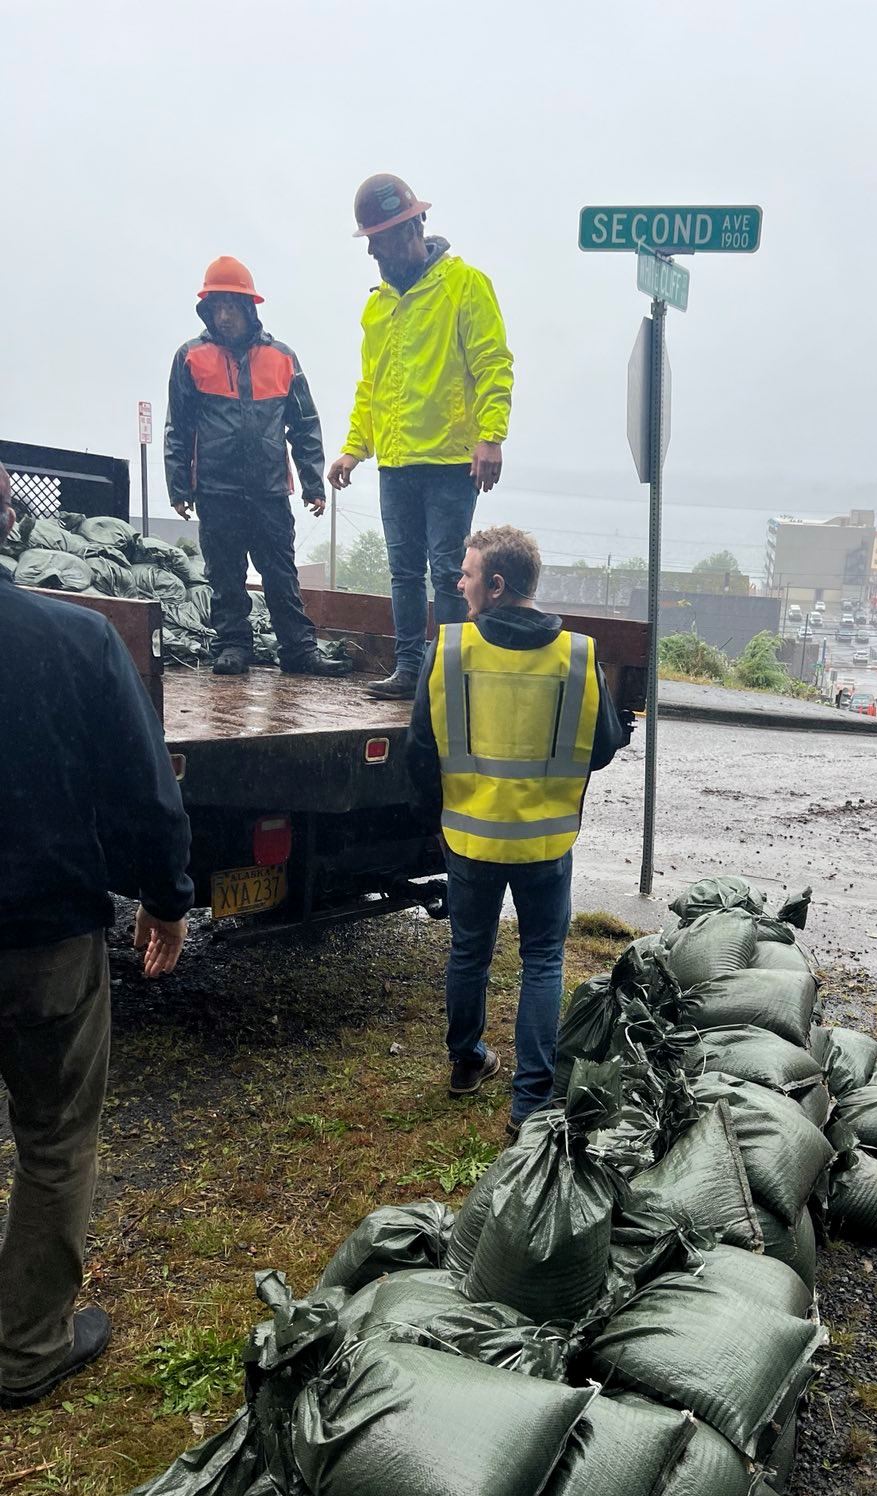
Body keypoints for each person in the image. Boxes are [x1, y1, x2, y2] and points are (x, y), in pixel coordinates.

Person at [0, 462, 194, 1409]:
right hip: (45, 936)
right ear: (8, 523)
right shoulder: (75, 640)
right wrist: (166, 897)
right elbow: (140, 790)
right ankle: (27, 1346)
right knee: (54, 1141)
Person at [405, 527, 631, 1135]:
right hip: (545, 841)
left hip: (469, 838)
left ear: (497, 585)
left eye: (468, 573)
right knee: (542, 960)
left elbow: (419, 749)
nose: (460, 583)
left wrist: (439, 814)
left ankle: (465, 1062)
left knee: (469, 951)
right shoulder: (578, 656)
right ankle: (529, 1104)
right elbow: (603, 747)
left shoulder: (449, 649)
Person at [328, 175, 514, 701]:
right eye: (369, 240)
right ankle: (410, 669)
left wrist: (491, 436)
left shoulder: (464, 284)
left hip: (452, 461)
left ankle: (450, 675)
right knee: (403, 572)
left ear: (413, 227)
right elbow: (372, 386)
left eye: (379, 239)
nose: (373, 252)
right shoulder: (378, 306)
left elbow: (493, 364)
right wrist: (354, 448)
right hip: (397, 463)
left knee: (449, 571)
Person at [165, 256, 349, 679]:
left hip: (269, 490)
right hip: (216, 490)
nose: (225, 316)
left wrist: (312, 484)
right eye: (217, 307)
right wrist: (179, 487)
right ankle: (232, 646)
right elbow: (179, 427)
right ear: (207, 310)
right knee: (224, 574)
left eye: (232, 306)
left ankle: (299, 650)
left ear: (249, 308)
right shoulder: (190, 357)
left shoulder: (282, 358)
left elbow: (304, 424)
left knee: (281, 573)